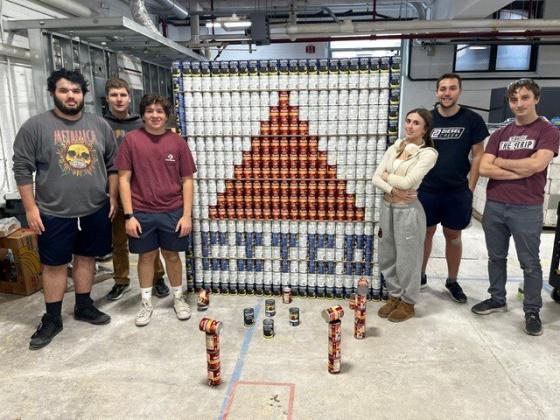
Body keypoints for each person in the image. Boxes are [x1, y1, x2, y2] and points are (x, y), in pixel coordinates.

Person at [12, 68, 117, 350]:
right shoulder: (35, 127)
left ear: (83, 95)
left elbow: (113, 165)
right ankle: (53, 318)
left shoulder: (99, 126)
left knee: (86, 257)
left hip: (94, 207)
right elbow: (22, 170)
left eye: (76, 91)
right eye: (64, 91)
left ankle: (84, 305)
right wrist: (31, 209)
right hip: (53, 211)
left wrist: (114, 198)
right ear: (53, 93)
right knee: (55, 264)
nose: (70, 96)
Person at [472, 78, 559, 336]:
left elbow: (537, 166)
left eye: (525, 98)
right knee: (495, 257)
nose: (519, 104)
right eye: (514, 99)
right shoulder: (500, 133)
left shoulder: (547, 131)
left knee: (530, 263)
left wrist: (503, 162)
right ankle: (497, 298)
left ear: (536, 99)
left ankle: (532, 310)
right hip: (496, 205)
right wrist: (521, 168)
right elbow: (485, 168)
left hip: (526, 207)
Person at [115, 94, 196, 326]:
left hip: (172, 210)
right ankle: (146, 302)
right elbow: (123, 179)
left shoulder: (177, 142)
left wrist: (186, 214)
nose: (155, 115)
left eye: (159, 111)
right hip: (142, 212)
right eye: (149, 110)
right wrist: (129, 215)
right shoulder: (131, 140)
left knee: (172, 255)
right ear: (143, 114)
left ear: (166, 115)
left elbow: (187, 180)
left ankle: (178, 298)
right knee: (146, 256)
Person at [418, 73, 489, 303]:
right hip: (427, 189)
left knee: (453, 235)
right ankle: (419, 276)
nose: (447, 93)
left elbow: (479, 155)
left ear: (459, 91)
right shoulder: (427, 119)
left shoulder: (472, 120)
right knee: (425, 233)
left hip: (457, 190)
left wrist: (470, 187)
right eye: (443, 89)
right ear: (437, 92)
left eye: (452, 88)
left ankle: (452, 280)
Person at [103, 78, 169, 301]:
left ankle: (158, 278)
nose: (119, 99)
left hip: (140, 191)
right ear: (107, 98)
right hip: (113, 189)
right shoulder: (101, 125)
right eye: (114, 95)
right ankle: (121, 280)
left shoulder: (140, 124)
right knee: (118, 240)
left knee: (150, 237)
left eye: (123, 95)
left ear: (130, 97)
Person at [373, 108, 438, 322]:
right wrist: (393, 188)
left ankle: (408, 302)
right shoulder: (396, 146)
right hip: (388, 206)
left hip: (408, 211)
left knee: (408, 259)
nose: (410, 126)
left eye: (416, 123)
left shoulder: (428, 153)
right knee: (387, 255)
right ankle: (394, 295)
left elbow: (408, 182)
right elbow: (375, 178)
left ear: (425, 128)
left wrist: (387, 177)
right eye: (408, 121)